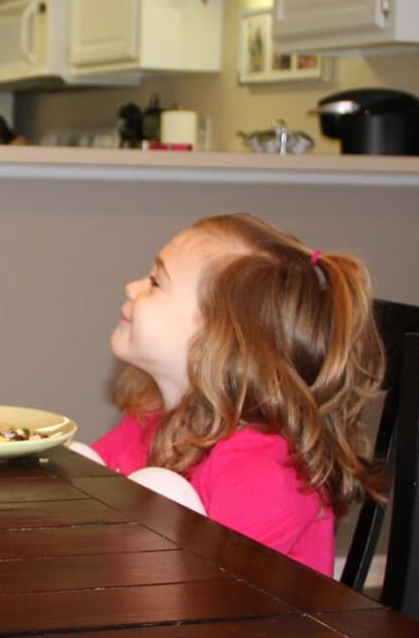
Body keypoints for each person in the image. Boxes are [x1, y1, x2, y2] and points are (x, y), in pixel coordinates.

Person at [88, 213, 385, 574]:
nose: (132, 287)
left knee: (158, 493)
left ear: (217, 337)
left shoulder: (268, 470)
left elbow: (218, 591)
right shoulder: (148, 418)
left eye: (155, 282)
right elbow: (90, 491)